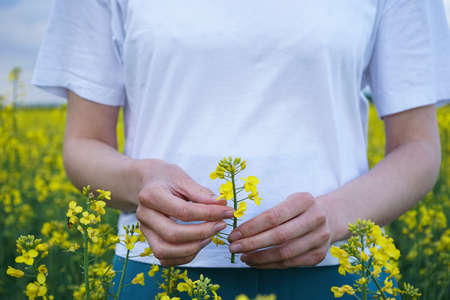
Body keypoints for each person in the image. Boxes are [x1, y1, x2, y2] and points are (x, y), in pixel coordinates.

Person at [32, 0, 450, 299]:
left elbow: (418, 149)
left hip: (342, 276)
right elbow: (83, 146)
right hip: (157, 278)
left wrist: (338, 215)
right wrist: (141, 181)